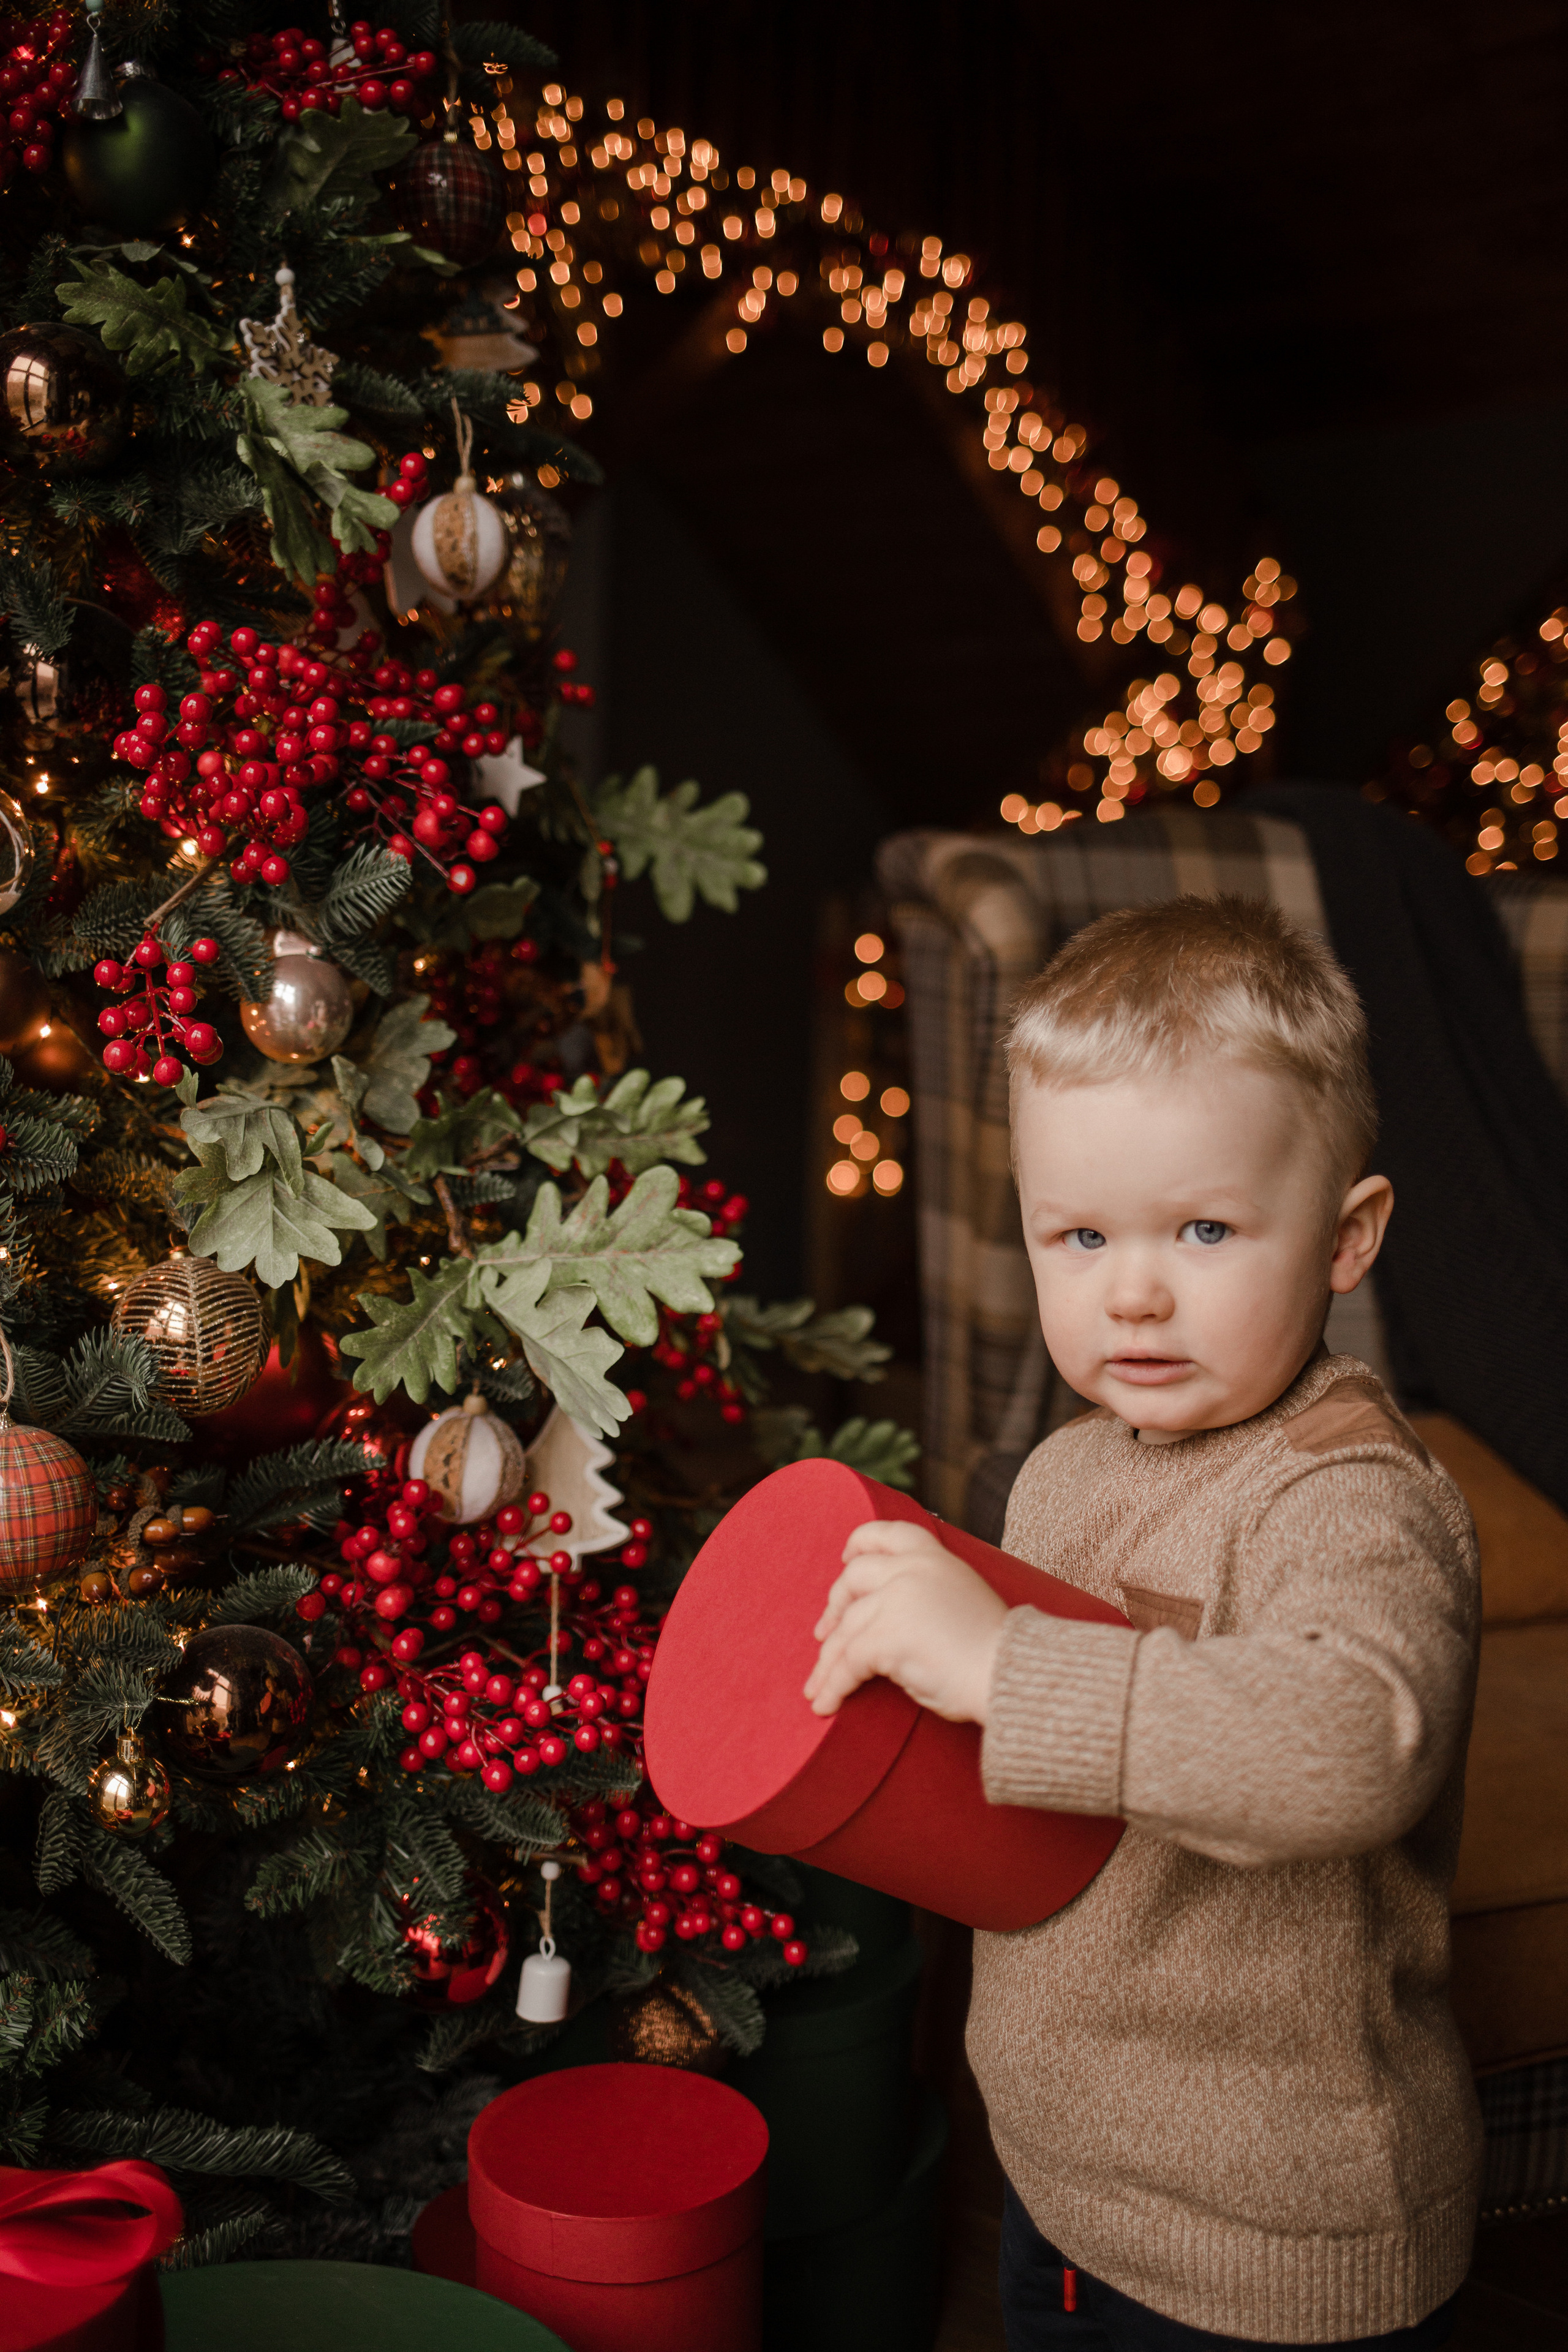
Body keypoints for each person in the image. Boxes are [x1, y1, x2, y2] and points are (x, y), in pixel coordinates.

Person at [805, 896, 1481, 2350]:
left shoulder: (1349, 1497)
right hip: (1061, 2188)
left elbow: (1350, 1747)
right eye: (1079, 1232)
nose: (1133, 1290)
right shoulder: (1059, 1468)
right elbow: (1015, 1776)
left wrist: (999, 1660)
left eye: (1205, 1227)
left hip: (1268, 2252)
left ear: (1345, 1236)